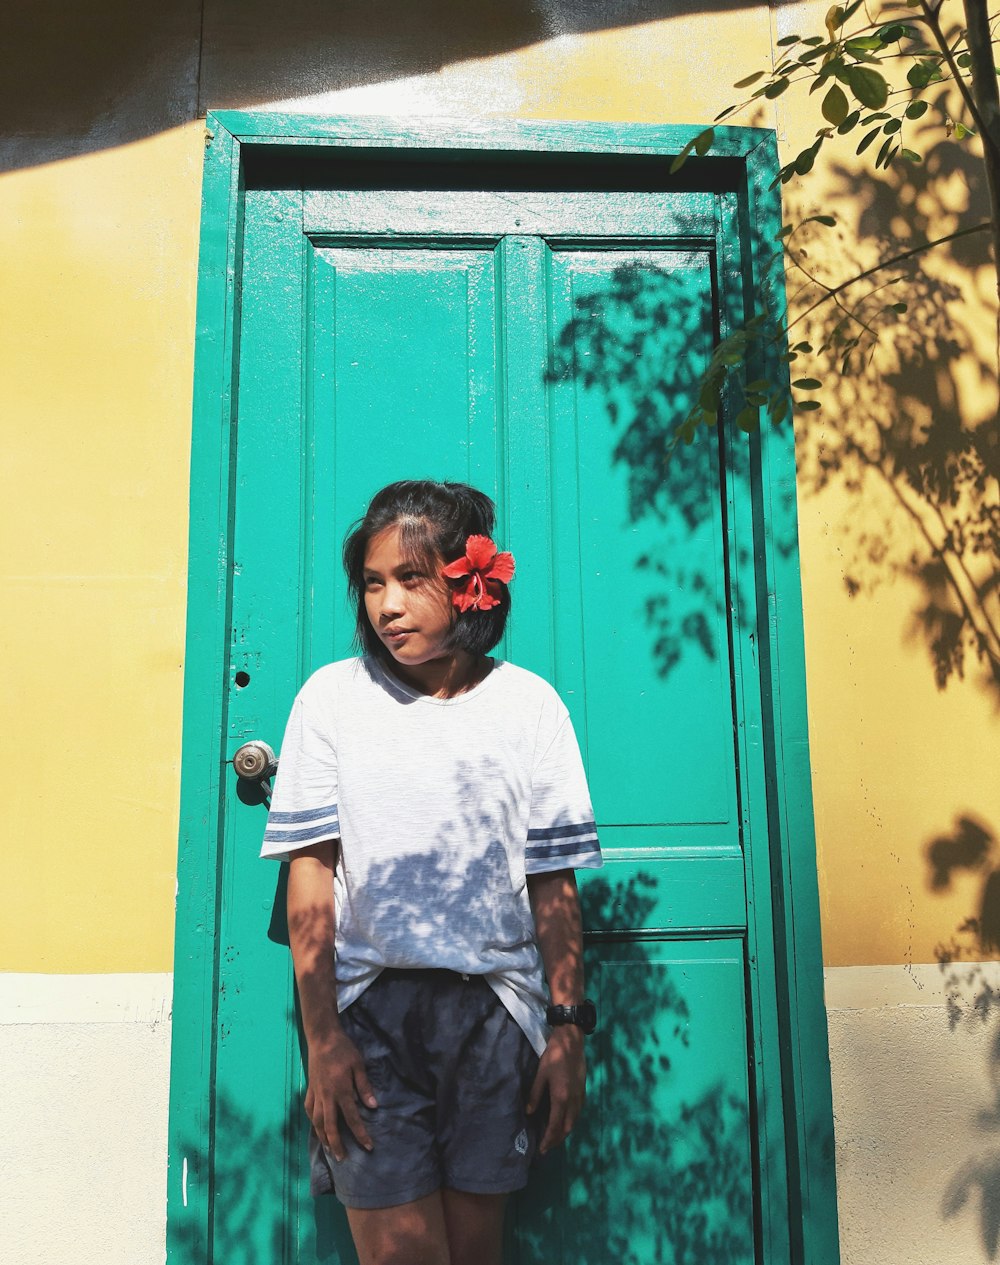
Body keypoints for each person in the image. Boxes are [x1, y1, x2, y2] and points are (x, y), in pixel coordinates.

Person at [260, 480, 602, 1265]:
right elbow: (309, 883)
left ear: (468, 582)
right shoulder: (331, 701)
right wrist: (323, 1040)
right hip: (370, 1022)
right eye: (374, 583)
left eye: (412, 580)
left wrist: (566, 1029)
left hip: (493, 1019)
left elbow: (553, 885)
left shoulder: (530, 707)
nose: (389, 605)